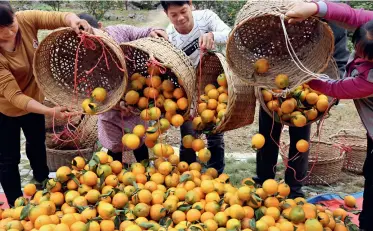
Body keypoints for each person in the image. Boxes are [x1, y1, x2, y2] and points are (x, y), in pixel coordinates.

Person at [286, 1, 373, 229]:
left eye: (364, 56)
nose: (357, 55)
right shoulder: (371, 28)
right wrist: (315, 8)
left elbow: (335, 88)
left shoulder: (368, 80)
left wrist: (305, 78)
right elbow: (351, 15)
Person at [0, 1, 92, 207]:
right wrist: (50, 110)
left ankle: (43, 183)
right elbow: (15, 97)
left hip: (35, 99)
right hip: (5, 108)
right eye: (1, 29)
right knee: (8, 158)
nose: (10, 31)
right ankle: (16, 205)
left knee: (37, 144)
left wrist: (75, 21)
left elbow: (57, 18)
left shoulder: (24, 20)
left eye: (11, 23)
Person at [254, 19, 350, 198]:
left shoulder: (333, 20)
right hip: (274, 83)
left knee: (300, 142)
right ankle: (263, 181)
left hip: (309, 87)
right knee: (267, 134)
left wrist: (333, 96)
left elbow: (340, 62)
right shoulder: (284, 13)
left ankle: (294, 189)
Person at [77, 13, 168, 164]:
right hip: (109, 103)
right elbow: (90, 88)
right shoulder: (84, 52)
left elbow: (141, 32)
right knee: (114, 145)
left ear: (101, 26)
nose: (92, 44)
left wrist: (154, 31)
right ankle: (117, 178)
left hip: (134, 95)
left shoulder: (120, 31)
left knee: (138, 139)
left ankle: (144, 171)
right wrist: (115, 103)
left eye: (94, 36)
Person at [161, 0, 231, 174]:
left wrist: (213, 36)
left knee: (214, 133)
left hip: (212, 85)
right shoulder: (169, 38)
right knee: (188, 135)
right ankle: (188, 176)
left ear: (190, 5)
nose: (180, 18)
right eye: (174, 15)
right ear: (166, 14)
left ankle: (216, 175)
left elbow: (230, 33)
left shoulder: (206, 18)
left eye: (183, 11)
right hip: (187, 90)